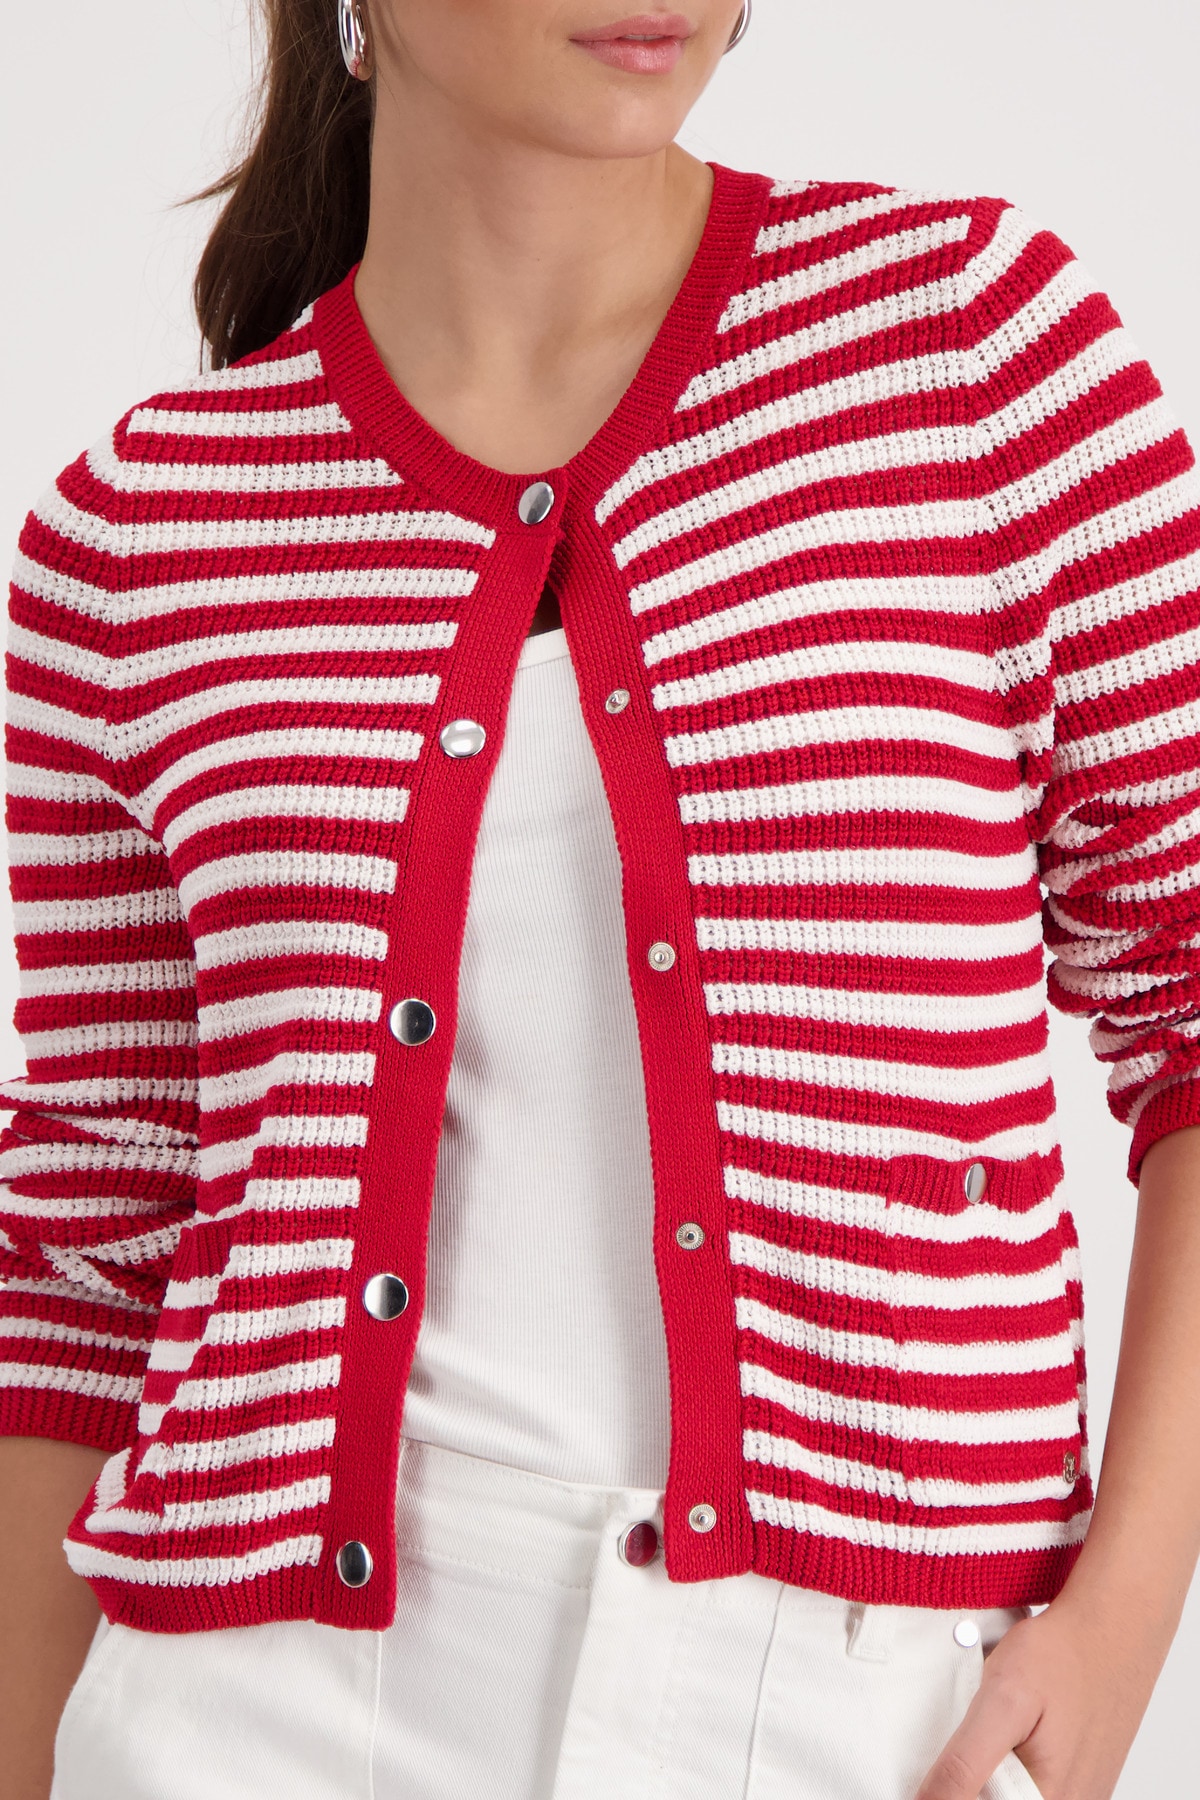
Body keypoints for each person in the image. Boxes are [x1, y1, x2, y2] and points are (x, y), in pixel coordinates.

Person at [2, 2, 1199, 1796]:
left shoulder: (964, 346)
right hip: (246, 1706)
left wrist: (1121, 1622)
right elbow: (93, 1235)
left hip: (848, 1701)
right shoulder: (139, 537)